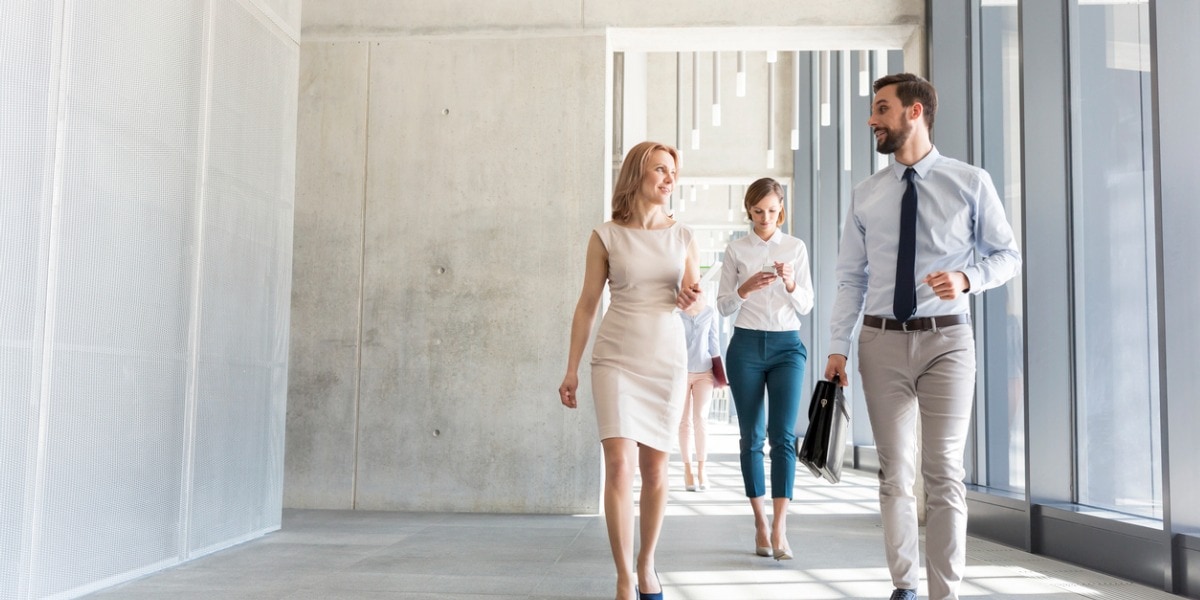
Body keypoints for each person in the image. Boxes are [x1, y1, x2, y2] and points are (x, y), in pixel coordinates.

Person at [823, 73, 1021, 600]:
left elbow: (1008, 256)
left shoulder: (969, 181)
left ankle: (945, 593)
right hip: (879, 342)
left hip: (947, 341)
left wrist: (967, 279)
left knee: (944, 473)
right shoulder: (867, 194)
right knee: (895, 473)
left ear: (915, 112)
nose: (872, 120)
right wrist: (838, 347)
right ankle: (905, 587)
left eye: (882, 109)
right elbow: (851, 278)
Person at [559, 140, 701, 600]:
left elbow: (695, 300)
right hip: (615, 358)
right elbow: (586, 306)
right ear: (637, 174)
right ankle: (623, 578)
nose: (668, 179)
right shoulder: (605, 236)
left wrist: (692, 299)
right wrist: (571, 369)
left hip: (666, 361)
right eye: (660, 169)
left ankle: (647, 565)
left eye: (673, 173)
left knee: (656, 471)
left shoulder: (683, 236)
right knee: (619, 466)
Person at [716, 177, 814, 561]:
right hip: (745, 347)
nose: (765, 218)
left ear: (781, 209)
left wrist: (791, 284)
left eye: (772, 211)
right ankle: (759, 522)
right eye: (758, 211)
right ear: (749, 210)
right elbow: (723, 305)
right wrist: (746, 288)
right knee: (751, 437)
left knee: (783, 437)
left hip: (787, 346)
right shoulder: (736, 249)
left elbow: (806, 305)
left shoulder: (795, 247)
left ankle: (780, 527)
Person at [678, 296, 722, 492]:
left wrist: (720, 374)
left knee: (700, 419)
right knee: (684, 422)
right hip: (680, 373)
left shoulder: (709, 312)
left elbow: (714, 344)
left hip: (705, 372)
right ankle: (687, 470)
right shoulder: (676, 313)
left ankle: (702, 469)